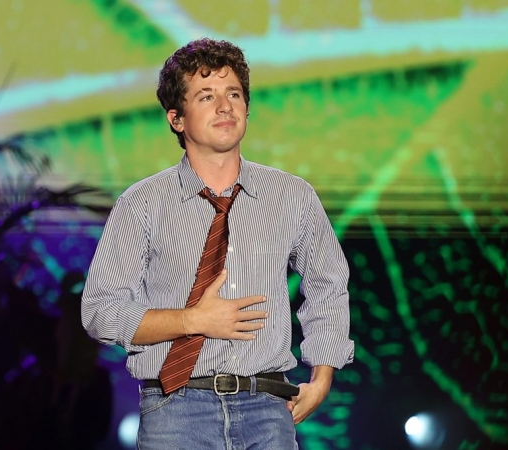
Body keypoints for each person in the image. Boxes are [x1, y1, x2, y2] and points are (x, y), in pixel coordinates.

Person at [81, 37, 354, 449]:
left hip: (268, 407)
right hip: (175, 412)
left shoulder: (291, 196)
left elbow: (328, 282)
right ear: (177, 119)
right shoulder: (142, 204)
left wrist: (322, 378)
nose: (225, 106)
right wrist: (191, 320)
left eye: (234, 94)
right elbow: (101, 311)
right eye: (206, 96)